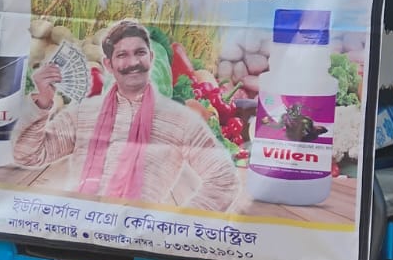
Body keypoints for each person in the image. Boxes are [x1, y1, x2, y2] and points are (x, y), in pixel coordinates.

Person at [13, 19, 238, 211]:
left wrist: (176, 227)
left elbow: (224, 179)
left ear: (151, 58)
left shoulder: (179, 121)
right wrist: (42, 102)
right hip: (78, 227)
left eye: (140, 53)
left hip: (137, 238)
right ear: (108, 65)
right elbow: (29, 155)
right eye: (122, 55)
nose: (133, 63)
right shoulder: (83, 113)